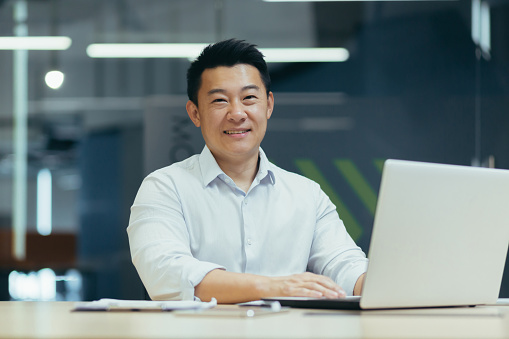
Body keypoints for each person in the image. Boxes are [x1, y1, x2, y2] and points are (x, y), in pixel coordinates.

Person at [127, 38, 368, 303]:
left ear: (268, 105)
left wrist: (375, 282)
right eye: (220, 100)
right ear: (195, 113)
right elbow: (167, 273)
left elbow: (344, 264)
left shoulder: (307, 195)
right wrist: (273, 287)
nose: (237, 113)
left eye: (249, 98)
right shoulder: (164, 187)